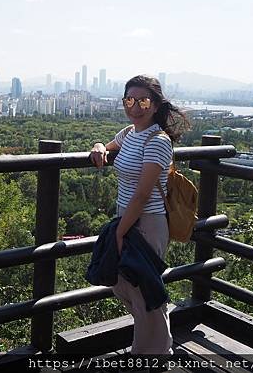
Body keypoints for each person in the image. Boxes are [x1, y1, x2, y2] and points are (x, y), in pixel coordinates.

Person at [89, 75, 189, 355]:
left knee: (143, 288)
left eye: (143, 100)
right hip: (127, 217)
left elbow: (143, 195)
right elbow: (109, 146)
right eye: (129, 100)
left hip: (148, 222)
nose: (135, 106)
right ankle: (154, 346)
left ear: (155, 105)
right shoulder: (130, 133)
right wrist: (98, 146)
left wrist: (120, 233)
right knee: (124, 283)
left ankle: (151, 353)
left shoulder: (158, 141)